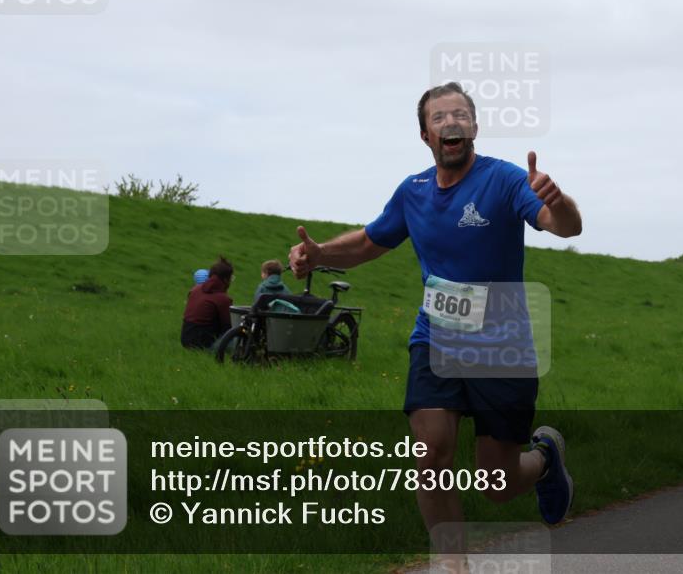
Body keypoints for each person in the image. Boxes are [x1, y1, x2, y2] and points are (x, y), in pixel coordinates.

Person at [288, 82, 582, 564]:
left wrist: (560, 200)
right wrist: (320, 255)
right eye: (440, 117)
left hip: (501, 349)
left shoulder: (506, 180)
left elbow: (562, 224)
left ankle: (546, 459)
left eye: (461, 115)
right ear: (425, 134)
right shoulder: (414, 192)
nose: (452, 123)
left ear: (474, 128)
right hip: (436, 339)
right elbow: (368, 243)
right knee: (430, 458)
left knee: (497, 485)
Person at [181, 256, 235, 349]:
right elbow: (228, 326)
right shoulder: (223, 298)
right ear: (226, 279)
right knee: (237, 338)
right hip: (205, 345)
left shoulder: (195, 289)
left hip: (185, 340)